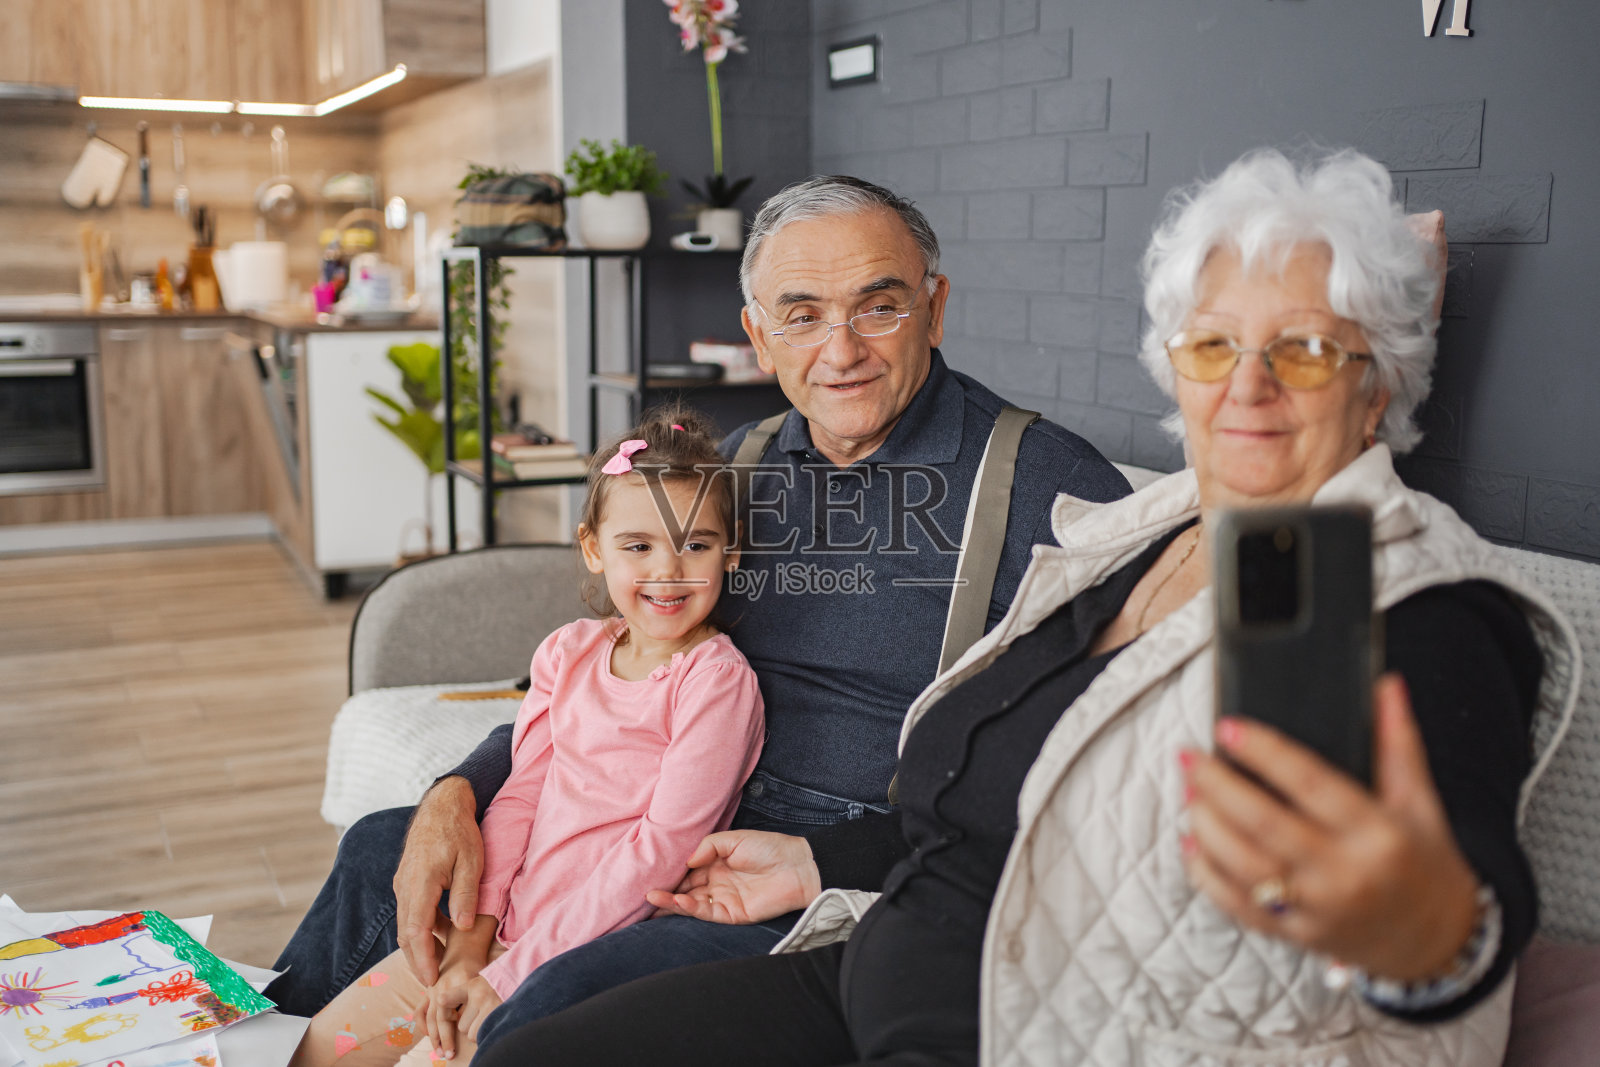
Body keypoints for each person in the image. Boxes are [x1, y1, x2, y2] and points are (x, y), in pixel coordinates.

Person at [476, 148, 1580, 1066]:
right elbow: (971, 778)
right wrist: (819, 863)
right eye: (1211, 346)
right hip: (874, 946)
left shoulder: (1417, 601)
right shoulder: (1126, 539)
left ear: (1377, 379)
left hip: (1038, 1022)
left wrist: (1424, 928)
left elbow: (1451, 909)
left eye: (1300, 349)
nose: (1246, 386)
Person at [266, 176, 1132, 1044]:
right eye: (800, 315)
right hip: (655, 813)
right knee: (382, 850)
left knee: (542, 1006)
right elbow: (597, 679)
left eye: (879, 307)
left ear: (934, 310)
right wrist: (459, 788)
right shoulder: (744, 468)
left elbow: (1100, 768)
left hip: (810, 872)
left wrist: (832, 861)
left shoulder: (1048, 490)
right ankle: (239, 1042)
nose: (841, 351)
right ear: (758, 335)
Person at [286, 410, 764, 1065]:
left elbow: (658, 853)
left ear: (731, 549)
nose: (668, 570)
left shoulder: (716, 683)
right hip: (500, 939)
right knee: (303, 1049)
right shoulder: (567, 653)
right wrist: (471, 943)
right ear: (594, 548)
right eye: (638, 546)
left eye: (697, 544)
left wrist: (509, 973)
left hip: (571, 962)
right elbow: (519, 795)